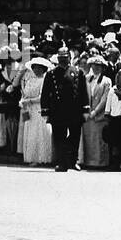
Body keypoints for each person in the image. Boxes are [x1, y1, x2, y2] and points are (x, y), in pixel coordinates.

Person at [41, 44, 90, 172]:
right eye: (60, 57)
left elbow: (83, 92)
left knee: (75, 137)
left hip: (75, 110)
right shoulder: (51, 74)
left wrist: (85, 109)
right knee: (59, 137)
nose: (63, 59)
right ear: (57, 58)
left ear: (69, 57)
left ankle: (73, 161)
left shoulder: (78, 72)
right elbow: (45, 93)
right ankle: (62, 162)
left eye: (65, 57)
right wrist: (45, 111)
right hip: (58, 110)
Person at [20, 57, 54, 165]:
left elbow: (42, 97)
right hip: (29, 110)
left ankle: (42, 158)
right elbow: (24, 93)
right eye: (34, 67)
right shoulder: (30, 80)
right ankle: (32, 157)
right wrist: (22, 101)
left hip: (39, 108)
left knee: (40, 132)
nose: (36, 70)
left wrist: (29, 101)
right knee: (31, 133)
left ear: (44, 69)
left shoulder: (45, 80)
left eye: (39, 68)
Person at [80, 55, 111, 169]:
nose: (96, 67)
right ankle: (88, 162)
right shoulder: (86, 78)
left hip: (99, 115)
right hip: (87, 114)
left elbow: (104, 99)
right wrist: (86, 111)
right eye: (94, 65)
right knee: (88, 139)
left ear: (103, 67)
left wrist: (95, 111)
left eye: (98, 66)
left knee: (99, 139)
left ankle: (100, 163)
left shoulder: (106, 81)